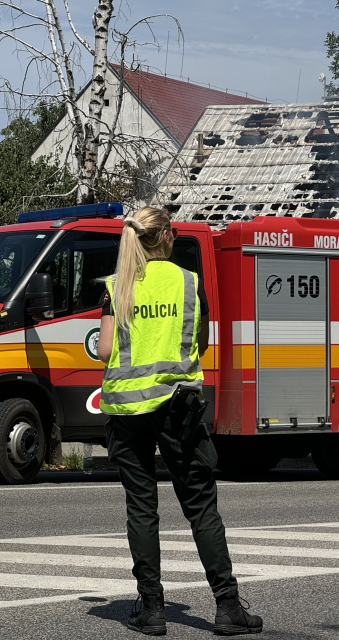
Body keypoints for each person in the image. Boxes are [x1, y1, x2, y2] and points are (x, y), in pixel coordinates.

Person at [97, 206, 262, 636]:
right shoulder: (190, 284)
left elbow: (103, 350)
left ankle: (151, 609)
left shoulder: (117, 287)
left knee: (141, 507)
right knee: (201, 505)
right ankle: (227, 607)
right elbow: (201, 343)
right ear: (167, 236)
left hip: (128, 411)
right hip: (178, 410)